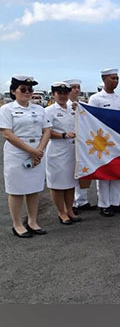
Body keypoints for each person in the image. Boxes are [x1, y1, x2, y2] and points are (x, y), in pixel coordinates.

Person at [0, 75, 52, 238]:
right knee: (16, 190)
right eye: (23, 89)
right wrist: (31, 151)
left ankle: (32, 221)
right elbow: (7, 133)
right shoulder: (6, 109)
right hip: (17, 153)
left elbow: (47, 130)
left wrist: (39, 150)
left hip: (37, 152)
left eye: (30, 89)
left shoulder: (39, 109)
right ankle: (17, 224)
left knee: (34, 189)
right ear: (13, 91)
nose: (27, 92)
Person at [88, 68, 120, 216]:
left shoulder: (119, 99)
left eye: (117, 78)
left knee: (117, 172)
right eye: (112, 78)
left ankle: (115, 202)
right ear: (104, 79)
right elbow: (91, 120)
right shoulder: (96, 99)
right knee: (104, 172)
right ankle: (104, 204)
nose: (115, 81)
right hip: (102, 141)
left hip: (117, 140)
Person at [45, 82, 81, 225]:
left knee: (71, 182)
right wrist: (63, 135)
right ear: (53, 94)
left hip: (72, 150)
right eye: (59, 93)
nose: (62, 96)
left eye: (65, 93)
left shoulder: (73, 109)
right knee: (58, 184)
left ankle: (70, 210)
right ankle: (61, 212)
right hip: (57, 150)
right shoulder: (49, 111)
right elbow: (46, 131)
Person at [65, 78, 96, 213]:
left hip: (82, 144)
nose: (76, 90)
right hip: (66, 145)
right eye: (73, 87)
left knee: (82, 172)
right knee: (68, 176)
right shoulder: (62, 105)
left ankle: (82, 201)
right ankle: (70, 205)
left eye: (78, 87)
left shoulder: (82, 105)